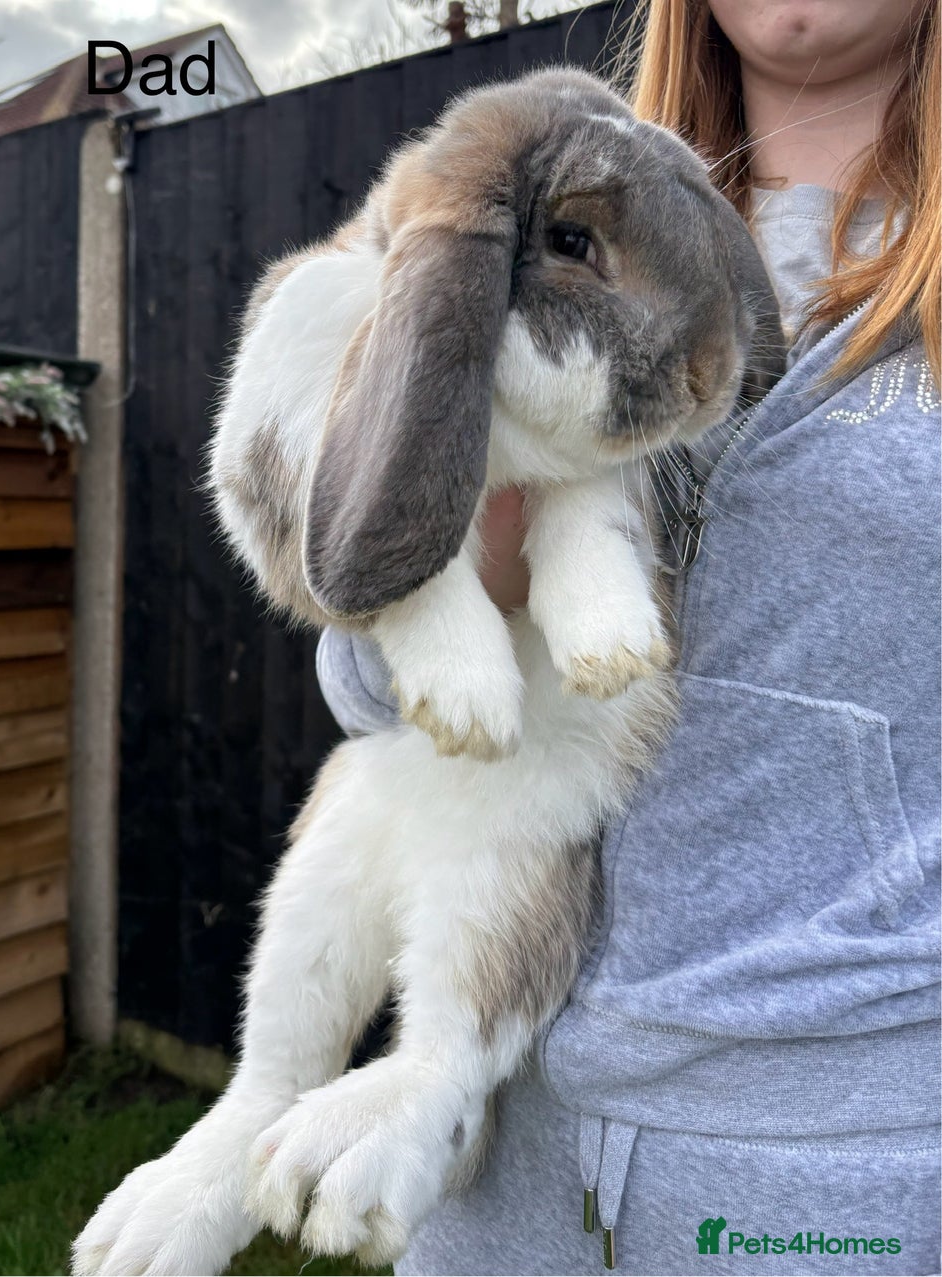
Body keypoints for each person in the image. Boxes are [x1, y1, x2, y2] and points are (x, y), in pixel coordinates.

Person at [315, 0, 941, 1272]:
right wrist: (472, 524)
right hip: (494, 1134)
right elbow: (369, 690)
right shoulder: (529, 214)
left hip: (839, 1145)